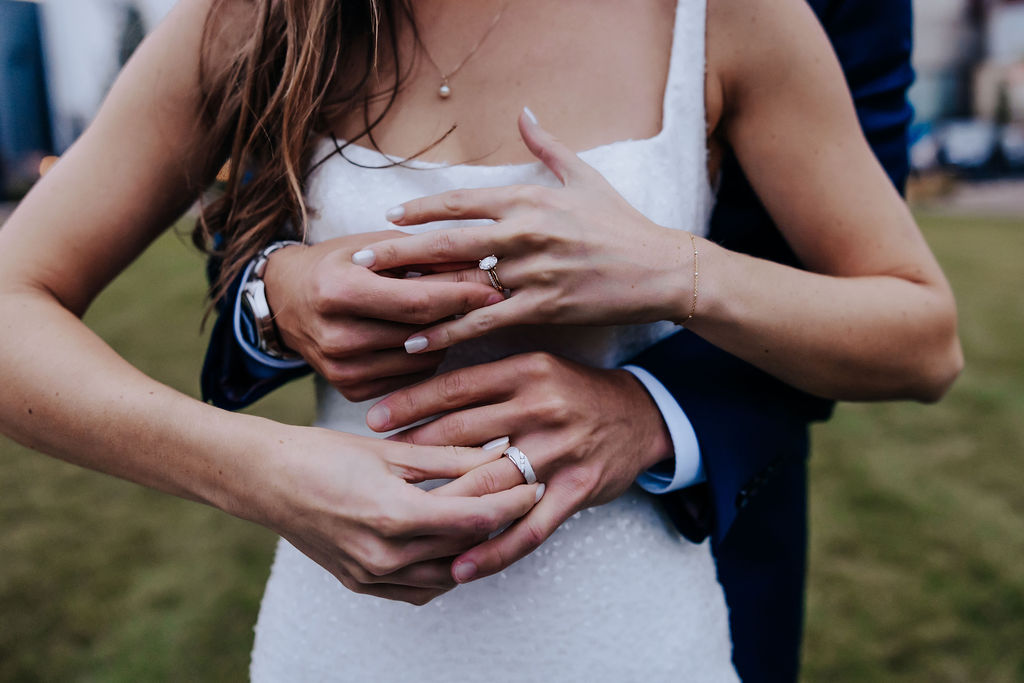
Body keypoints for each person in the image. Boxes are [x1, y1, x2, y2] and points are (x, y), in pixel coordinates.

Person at [0, 0, 960, 681]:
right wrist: (262, 469)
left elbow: (922, 335)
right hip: (345, 639)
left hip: (629, 636)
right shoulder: (263, 15)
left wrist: (676, 270)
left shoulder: (731, 15)